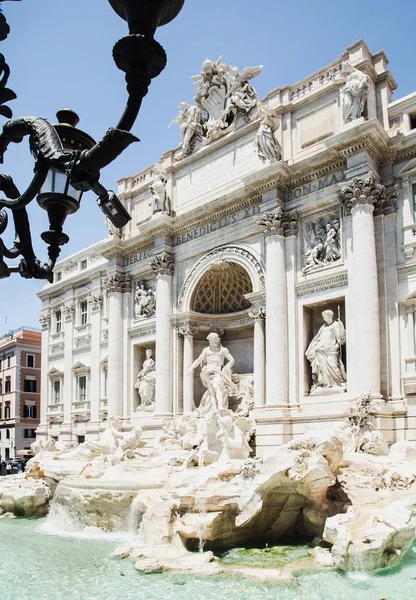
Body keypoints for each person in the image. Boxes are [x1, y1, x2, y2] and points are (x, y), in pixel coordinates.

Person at [188, 332, 237, 415]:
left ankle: (220, 406)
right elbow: (198, 360)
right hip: (207, 372)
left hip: (217, 372)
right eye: (210, 341)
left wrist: (227, 366)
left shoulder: (223, 350)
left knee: (217, 386)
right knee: (211, 391)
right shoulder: (206, 350)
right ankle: (215, 409)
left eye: (212, 341)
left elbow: (232, 360)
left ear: (216, 340)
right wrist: (191, 368)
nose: (211, 342)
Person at [305, 310, 346, 394]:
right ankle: (325, 384)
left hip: (332, 349)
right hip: (321, 349)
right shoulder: (323, 327)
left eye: (325, 316)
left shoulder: (336, 325)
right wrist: (314, 346)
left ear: (330, 315)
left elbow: (341, 339)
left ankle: (338, 382)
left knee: (333, 365)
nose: (323, 318)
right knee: (322, 368)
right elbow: (318, 338)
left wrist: (341, 327)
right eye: (323, 316)